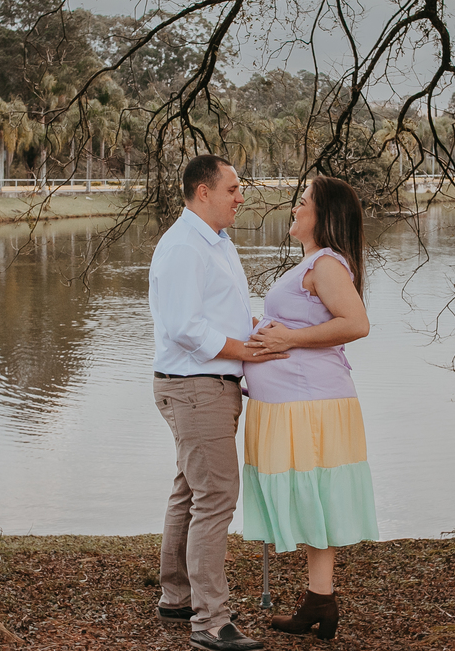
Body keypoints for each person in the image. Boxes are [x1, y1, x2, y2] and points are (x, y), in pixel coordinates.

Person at [148, 154, 286, 651]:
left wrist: (258, 336)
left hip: (207, 384)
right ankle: (210, 621)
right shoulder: (186, 246)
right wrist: (243, 350)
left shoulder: (217, 243)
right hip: (195, 387)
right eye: (233, 189)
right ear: (202, 192)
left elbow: (219, 317)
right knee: (216, 497)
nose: (241, 197)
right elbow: (185, 328)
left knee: (191, 489)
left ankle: (176, 595)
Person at [240, 175, 379, 640]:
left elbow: (356, 323)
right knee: (313, 495)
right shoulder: (312, 264)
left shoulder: (326, 265)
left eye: (303, 202)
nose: (294, 208)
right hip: (298, 402)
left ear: (324, 216)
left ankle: (320, 600)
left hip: (312, 404)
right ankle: (320, 600)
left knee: (314, 494)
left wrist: (288, 337)